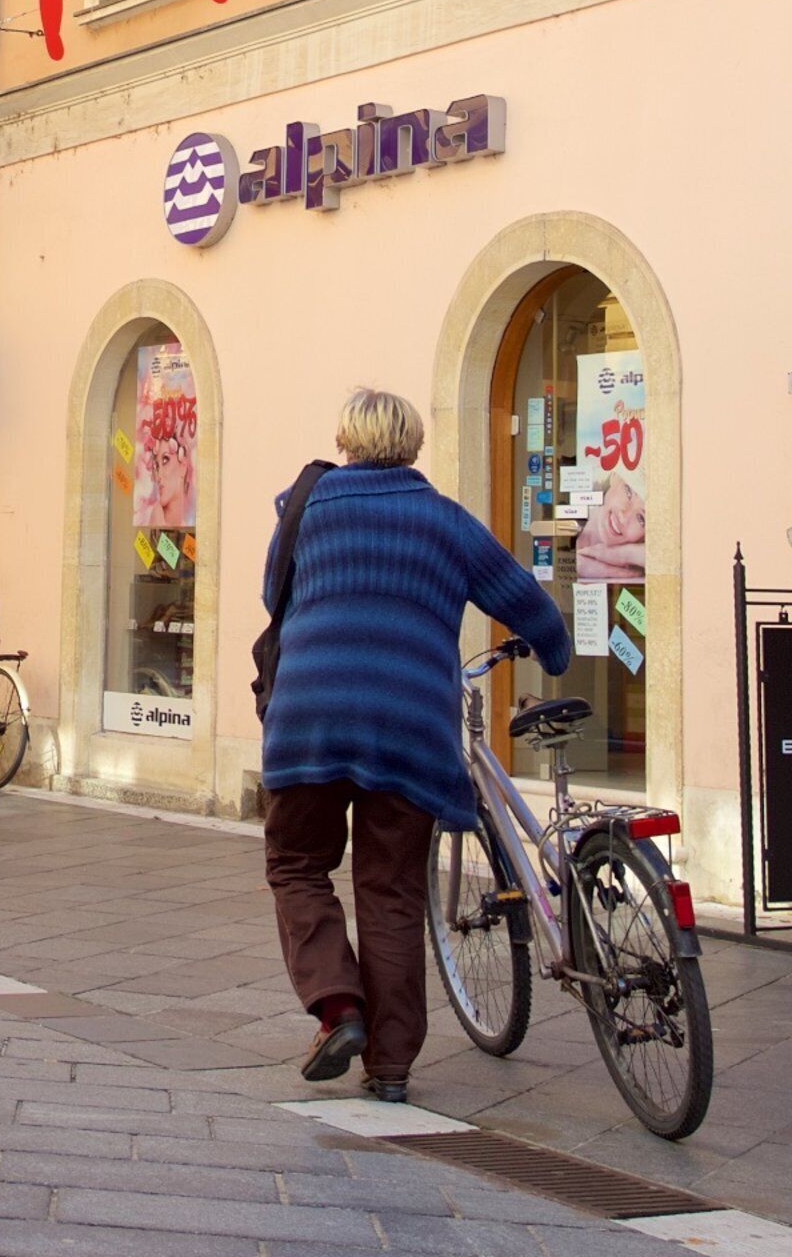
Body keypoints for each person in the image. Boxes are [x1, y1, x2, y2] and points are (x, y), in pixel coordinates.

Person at [260, 388, 571, 1105]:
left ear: (345, 441)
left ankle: (339, 1007)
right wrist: (555, 652)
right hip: (408, 725)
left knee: (297, 864)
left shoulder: (305, 510)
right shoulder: (445, 520)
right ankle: (392, 1067)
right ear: (414, 444)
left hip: (310, 717)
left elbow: (272, 597)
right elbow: (522, 599)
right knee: (392, 890)